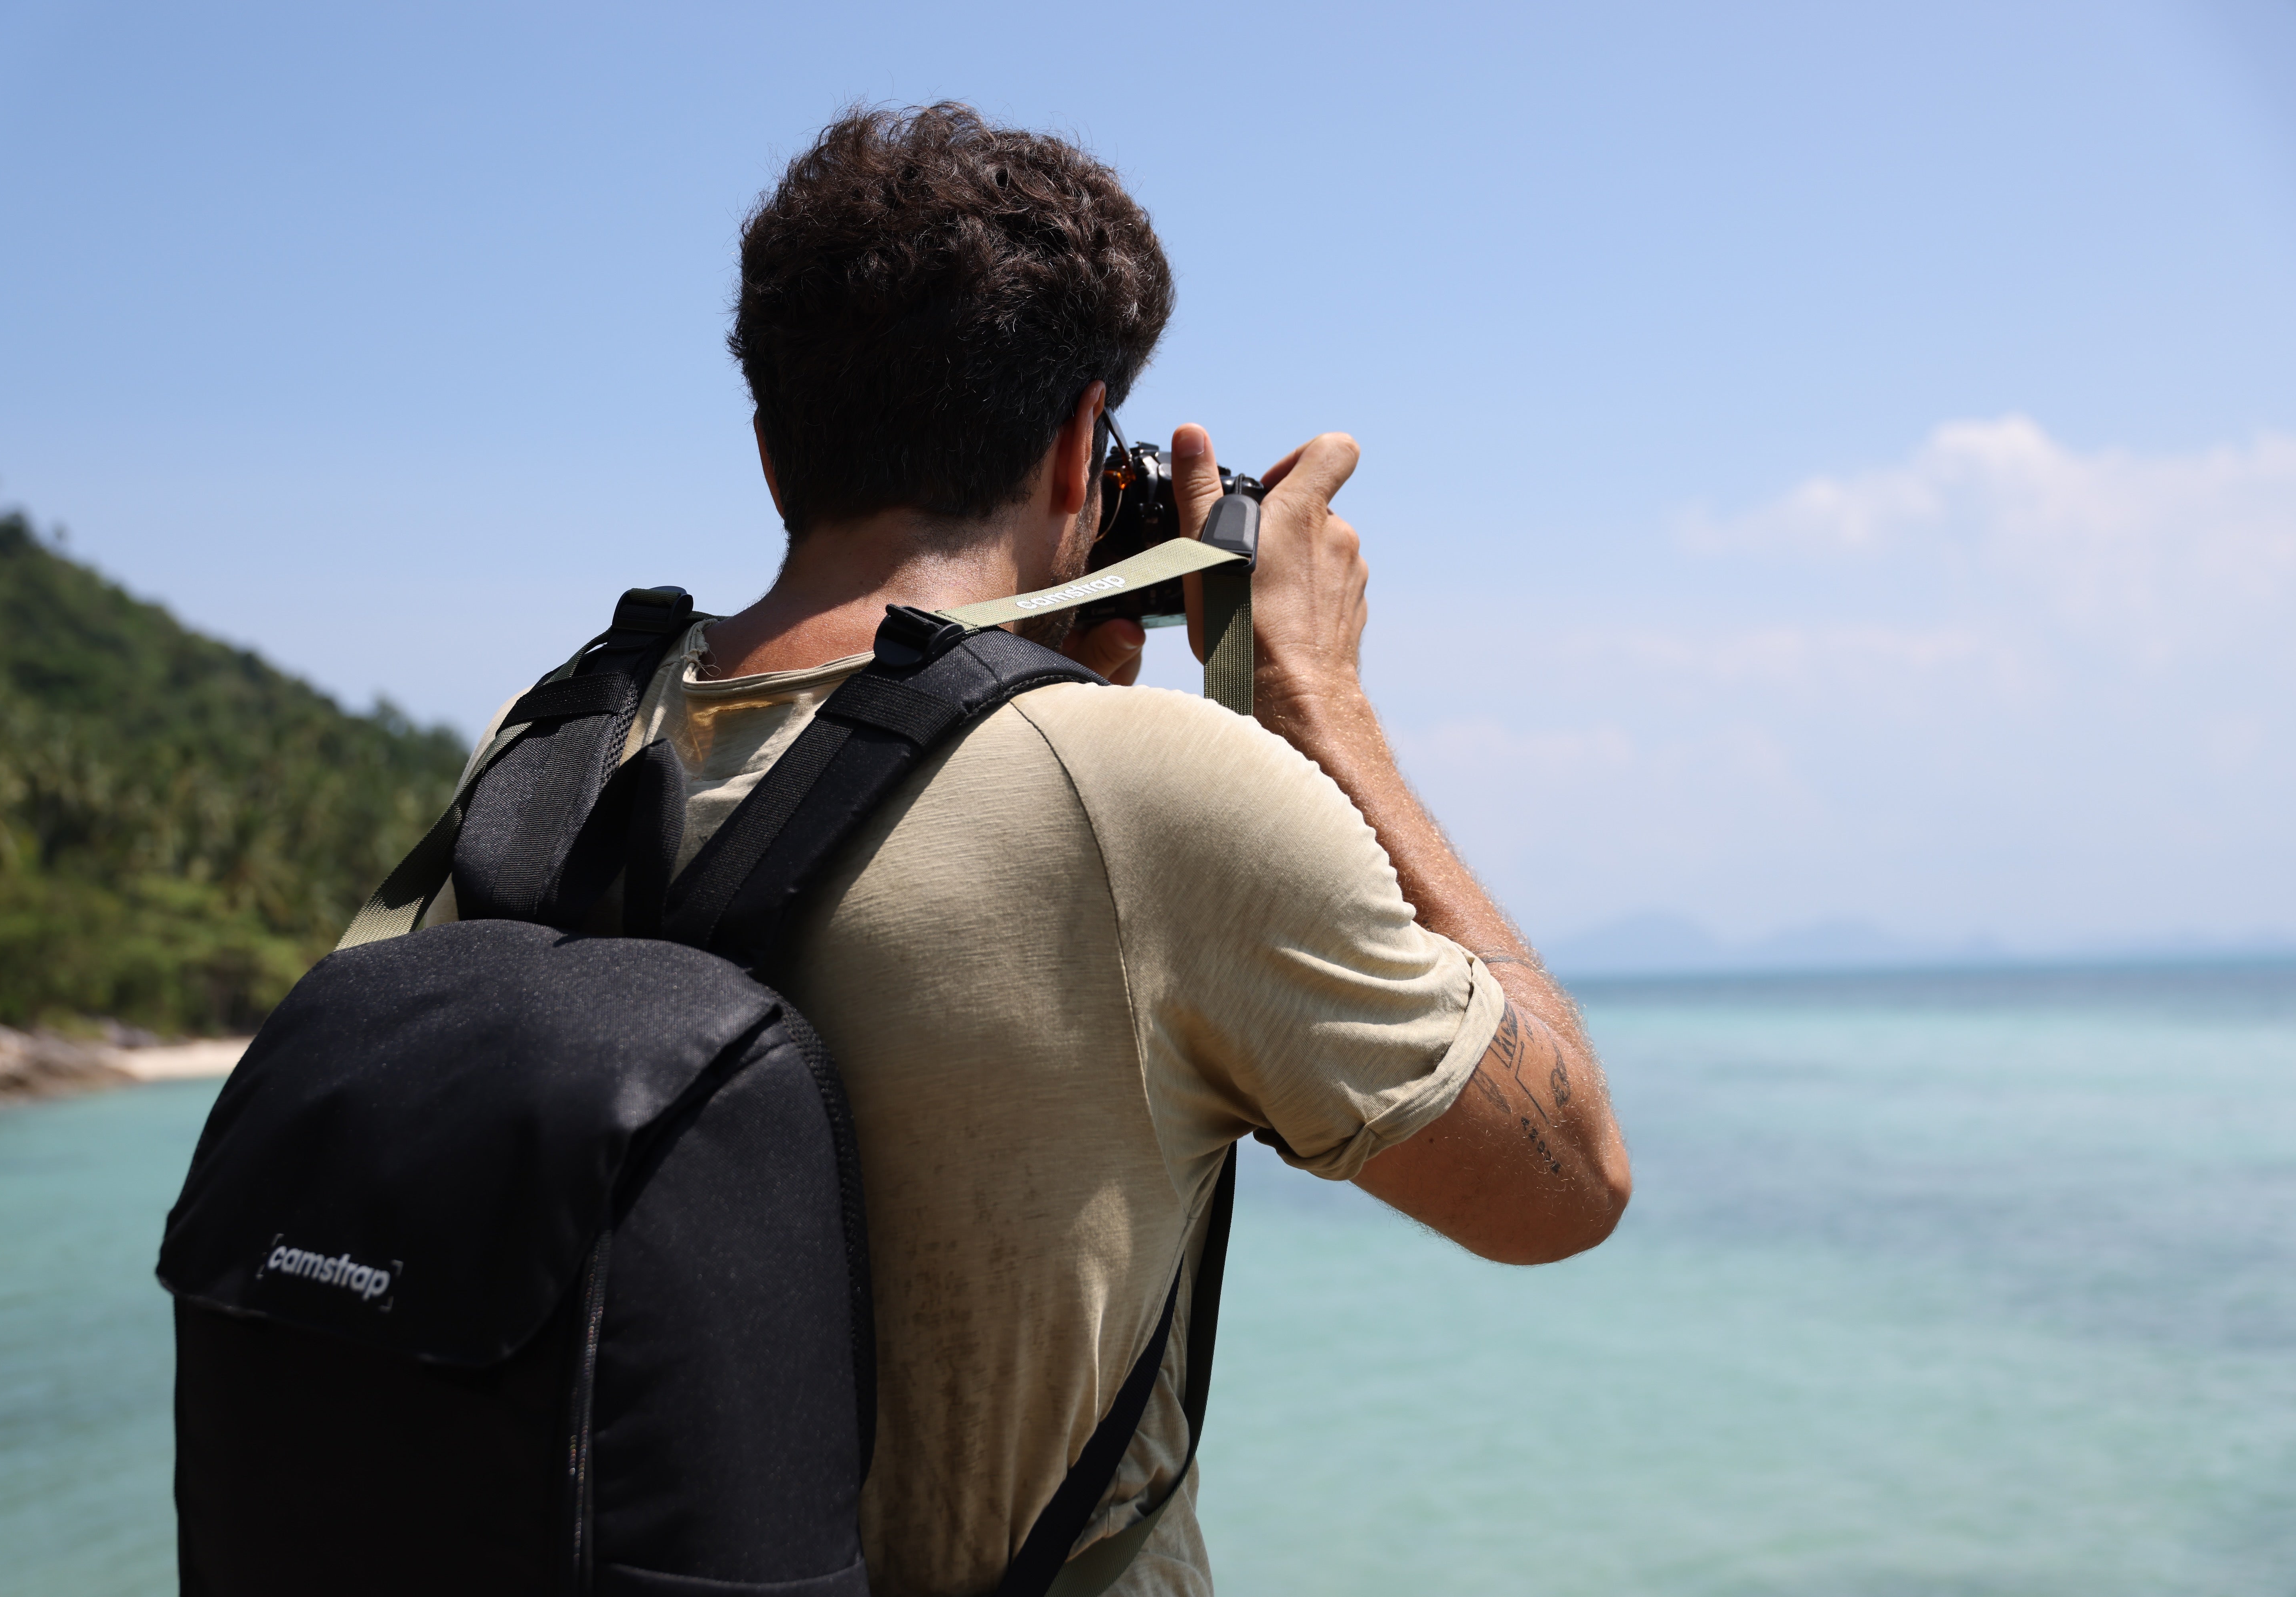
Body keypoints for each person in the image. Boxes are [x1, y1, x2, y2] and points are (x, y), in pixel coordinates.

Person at [433, 102, 1631, 1597]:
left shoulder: (545, 747)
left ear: (772, 453)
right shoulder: (1158, 797)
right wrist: (1316, 695)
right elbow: (1567, 1180)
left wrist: (1002, 697)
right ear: (1080, 446)